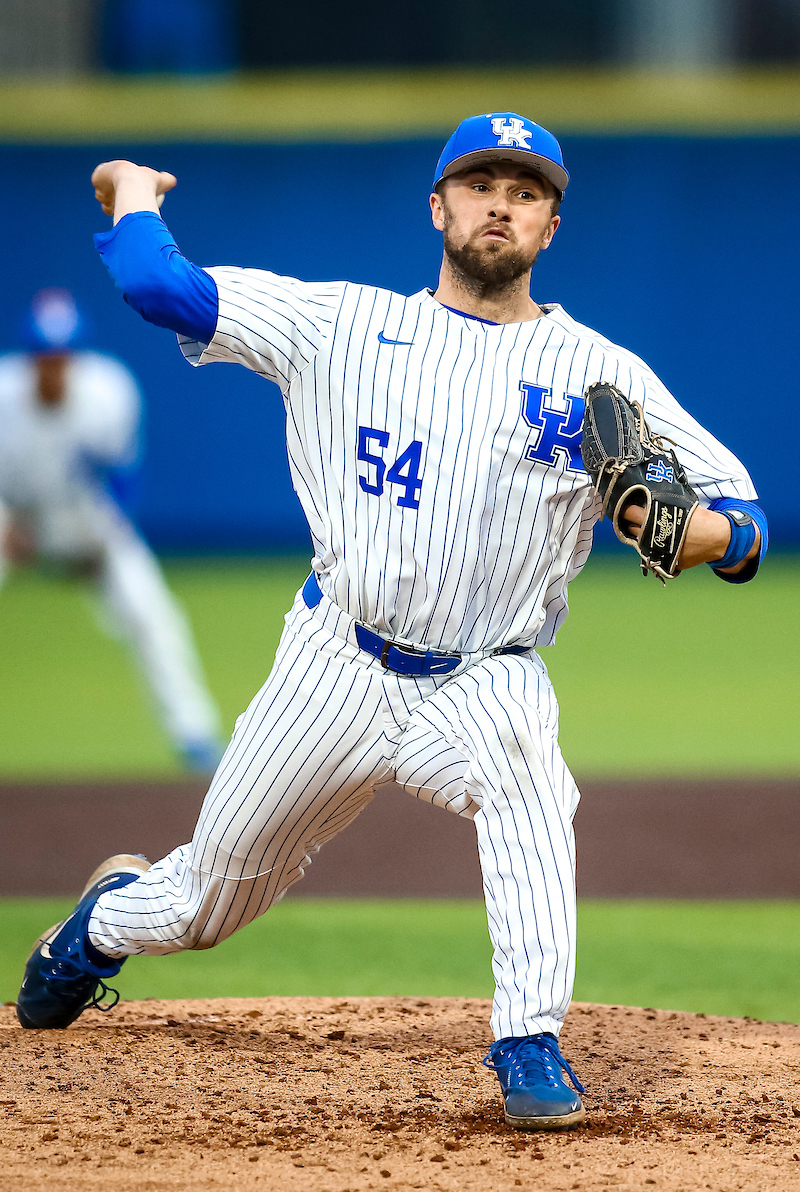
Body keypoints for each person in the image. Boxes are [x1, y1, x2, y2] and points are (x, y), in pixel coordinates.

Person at [16, 114, 766, 1131]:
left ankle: (527, 1040)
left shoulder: (603, 372)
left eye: (525, 189)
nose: (499, 201)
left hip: (483, 674)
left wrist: (703, 535)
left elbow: (743, 514)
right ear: (437, 207)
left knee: (533, 787)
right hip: (335, 661)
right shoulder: (342, 324)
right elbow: (160, 289)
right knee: (205, 905)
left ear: (550, 225)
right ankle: (101, 925)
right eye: (478, 182)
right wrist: (135, 195)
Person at [0, 288, 224, 774]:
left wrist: (100, 541)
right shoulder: (3, 396)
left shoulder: (107, 392)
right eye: (44, 357)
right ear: (29, 356)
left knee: (153, 614)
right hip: (14, 518)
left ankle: (196, 738)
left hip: (87, 522)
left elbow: (123, 482)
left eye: (63, 356)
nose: (54, 367)